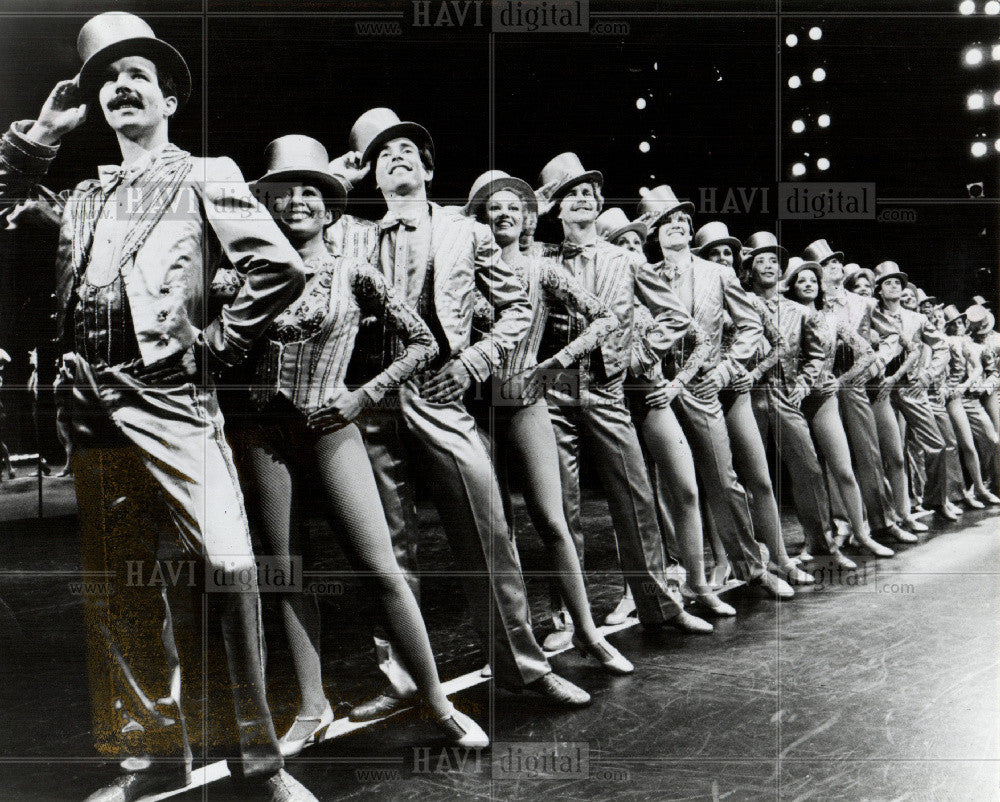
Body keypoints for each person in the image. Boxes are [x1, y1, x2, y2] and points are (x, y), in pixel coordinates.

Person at [0, 12, 318, 801]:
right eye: (106, 78)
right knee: (119, 584)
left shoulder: (207, 173)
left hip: (171, 398)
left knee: (231, 564)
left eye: (136, 73)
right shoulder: (80, 195)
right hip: (89, 400)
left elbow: (278, 269)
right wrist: (39, 136)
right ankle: (144, 762)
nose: (119, 87)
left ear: (170, 95)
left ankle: (261, 761)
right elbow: (4, 202)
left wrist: (212, 348)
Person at [336, 110, 591, 722]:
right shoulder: (352, 233)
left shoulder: (465, 232)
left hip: (439, 389)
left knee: (488, 531)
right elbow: (286, 220)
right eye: (382, 152)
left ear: (427, 168)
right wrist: (337, 174)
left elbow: (515, 307)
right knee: (387, 549)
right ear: (371, 169)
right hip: (371, 396)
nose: (396, 156)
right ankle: (400, 677)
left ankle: (524, 668)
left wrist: (474, 362)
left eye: (408, 149)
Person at [241, 135, 489, 754]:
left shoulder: (355, 270)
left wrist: (362, 396)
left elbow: (423, 344)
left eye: (311, 191)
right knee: (284, 571)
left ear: (329, 209)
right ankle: (312, 705)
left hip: (334, 430)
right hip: (265, 438)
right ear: (267, 205)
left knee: (382, 570)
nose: (297, 201)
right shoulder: (241, 273)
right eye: (283, 191)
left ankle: (436, 702)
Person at [531, 155, 714, 651]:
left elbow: (675, 318)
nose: (584, 198)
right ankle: (565, 616)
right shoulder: (540, 256)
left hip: (608, 386)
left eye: (590, 191)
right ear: (555, 206)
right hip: (555, 387)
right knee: (561, 507)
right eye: (572, 193)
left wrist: (638, 352)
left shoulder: (627, 260)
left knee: (634, 497)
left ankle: (660, 606)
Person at [466, 170, 634, 673]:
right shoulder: (462, 270)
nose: (503, 215)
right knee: (496, 532)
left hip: (526, 403)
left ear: (527, 219)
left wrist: (557, 362)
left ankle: (587, 631)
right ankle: (512, 647)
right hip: (474, 410)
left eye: (513, 208)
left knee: (554, 522)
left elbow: (605, 317)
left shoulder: (543, 270)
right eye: (492, 208)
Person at [634, 186, 795, 598]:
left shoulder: (718, 274)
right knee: (673, 489)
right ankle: (690, 580)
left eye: (682, 222)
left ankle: (753, 567)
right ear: (654, 233)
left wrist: (725, 371)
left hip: (705, 385)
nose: (677, 227)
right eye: (667, 222)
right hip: (658, 389)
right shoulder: (643, 274)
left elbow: (751, 327)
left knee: (724, 481)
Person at [744, 244, 858, 570]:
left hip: (783, 394)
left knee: (808, 469)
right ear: (749, 269)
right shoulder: (739, 303)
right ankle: (763, 557)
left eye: (774, 260)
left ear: (781, 270)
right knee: (752, 478)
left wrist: (803, 385)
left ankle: (822, 545)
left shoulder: (801, 312)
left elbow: (815, 356)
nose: (768, 265)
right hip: (745, 394)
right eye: (760, 260)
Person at [784, 257, 895, 559]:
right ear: (791, 287)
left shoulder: (832, 319)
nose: (808, 284)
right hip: (791, 401)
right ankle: (814, 540)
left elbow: (867, 353)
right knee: (807, 475)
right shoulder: (785, 315)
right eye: (800, 280)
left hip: (824, 398)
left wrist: (841, 381)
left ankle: (863, 534)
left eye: (812, 280)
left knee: (843, 470)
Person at [804, 239, 911, 546]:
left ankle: (883, 521)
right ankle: (844, 523)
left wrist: (878, 361)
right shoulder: (811, 299)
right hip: (822, 382)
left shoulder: (861, 302)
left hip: (854, 381)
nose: (835, 265)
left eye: (837, 261)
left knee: (868, 452)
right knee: (833, 458)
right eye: (827, 264)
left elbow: (894, 337)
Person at [870, 262, 950, 534]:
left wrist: (927, 375)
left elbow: (941, 346)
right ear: (878, 289)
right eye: (888, 282)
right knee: (893, 455)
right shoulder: (871, 314)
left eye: (898, 282)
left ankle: (934, 501)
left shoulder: (916, 318)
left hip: (910, 387)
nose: (894, 286)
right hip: (880, 389)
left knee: (936, 445)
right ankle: (897, 514)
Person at [942, 304, 1000, 506]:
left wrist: (976, 386)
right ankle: (970, 488)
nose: (957, 326)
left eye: (959, 322)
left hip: (973, 397)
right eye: (952, 324)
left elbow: (984, 369)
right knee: (959, 444)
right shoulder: (943, 342)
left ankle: (982, 484)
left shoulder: (973, 344)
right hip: (952, 397)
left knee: (992, 439)